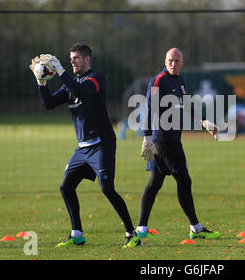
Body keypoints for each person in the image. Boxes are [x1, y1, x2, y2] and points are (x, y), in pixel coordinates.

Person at [29, 43, 140, 248]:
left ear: (87, 59)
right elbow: (49, 104)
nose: (72, 61)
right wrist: (41, 82)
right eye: (70, 58)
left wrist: (60, 70)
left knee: (107, 188)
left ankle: (131, 234)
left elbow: (80, 89)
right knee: (66, 186)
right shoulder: (70, 83)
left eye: (76, 58)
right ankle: (77, 233)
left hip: (102, 144)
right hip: (83, 148)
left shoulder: (96, 79)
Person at [136, 48, 222, 240]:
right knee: (184, 180)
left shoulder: (179, 81)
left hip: (172, 138)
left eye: (176, 61)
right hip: (164, 140)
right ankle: (196, 228)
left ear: (182, 62)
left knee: (154, 183)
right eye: (170, 60)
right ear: (164, 61)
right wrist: (146, 137)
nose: (173, 64)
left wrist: (203, 121)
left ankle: (141, 229)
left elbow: (186, 104)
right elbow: (149, 108)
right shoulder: (158, 80)